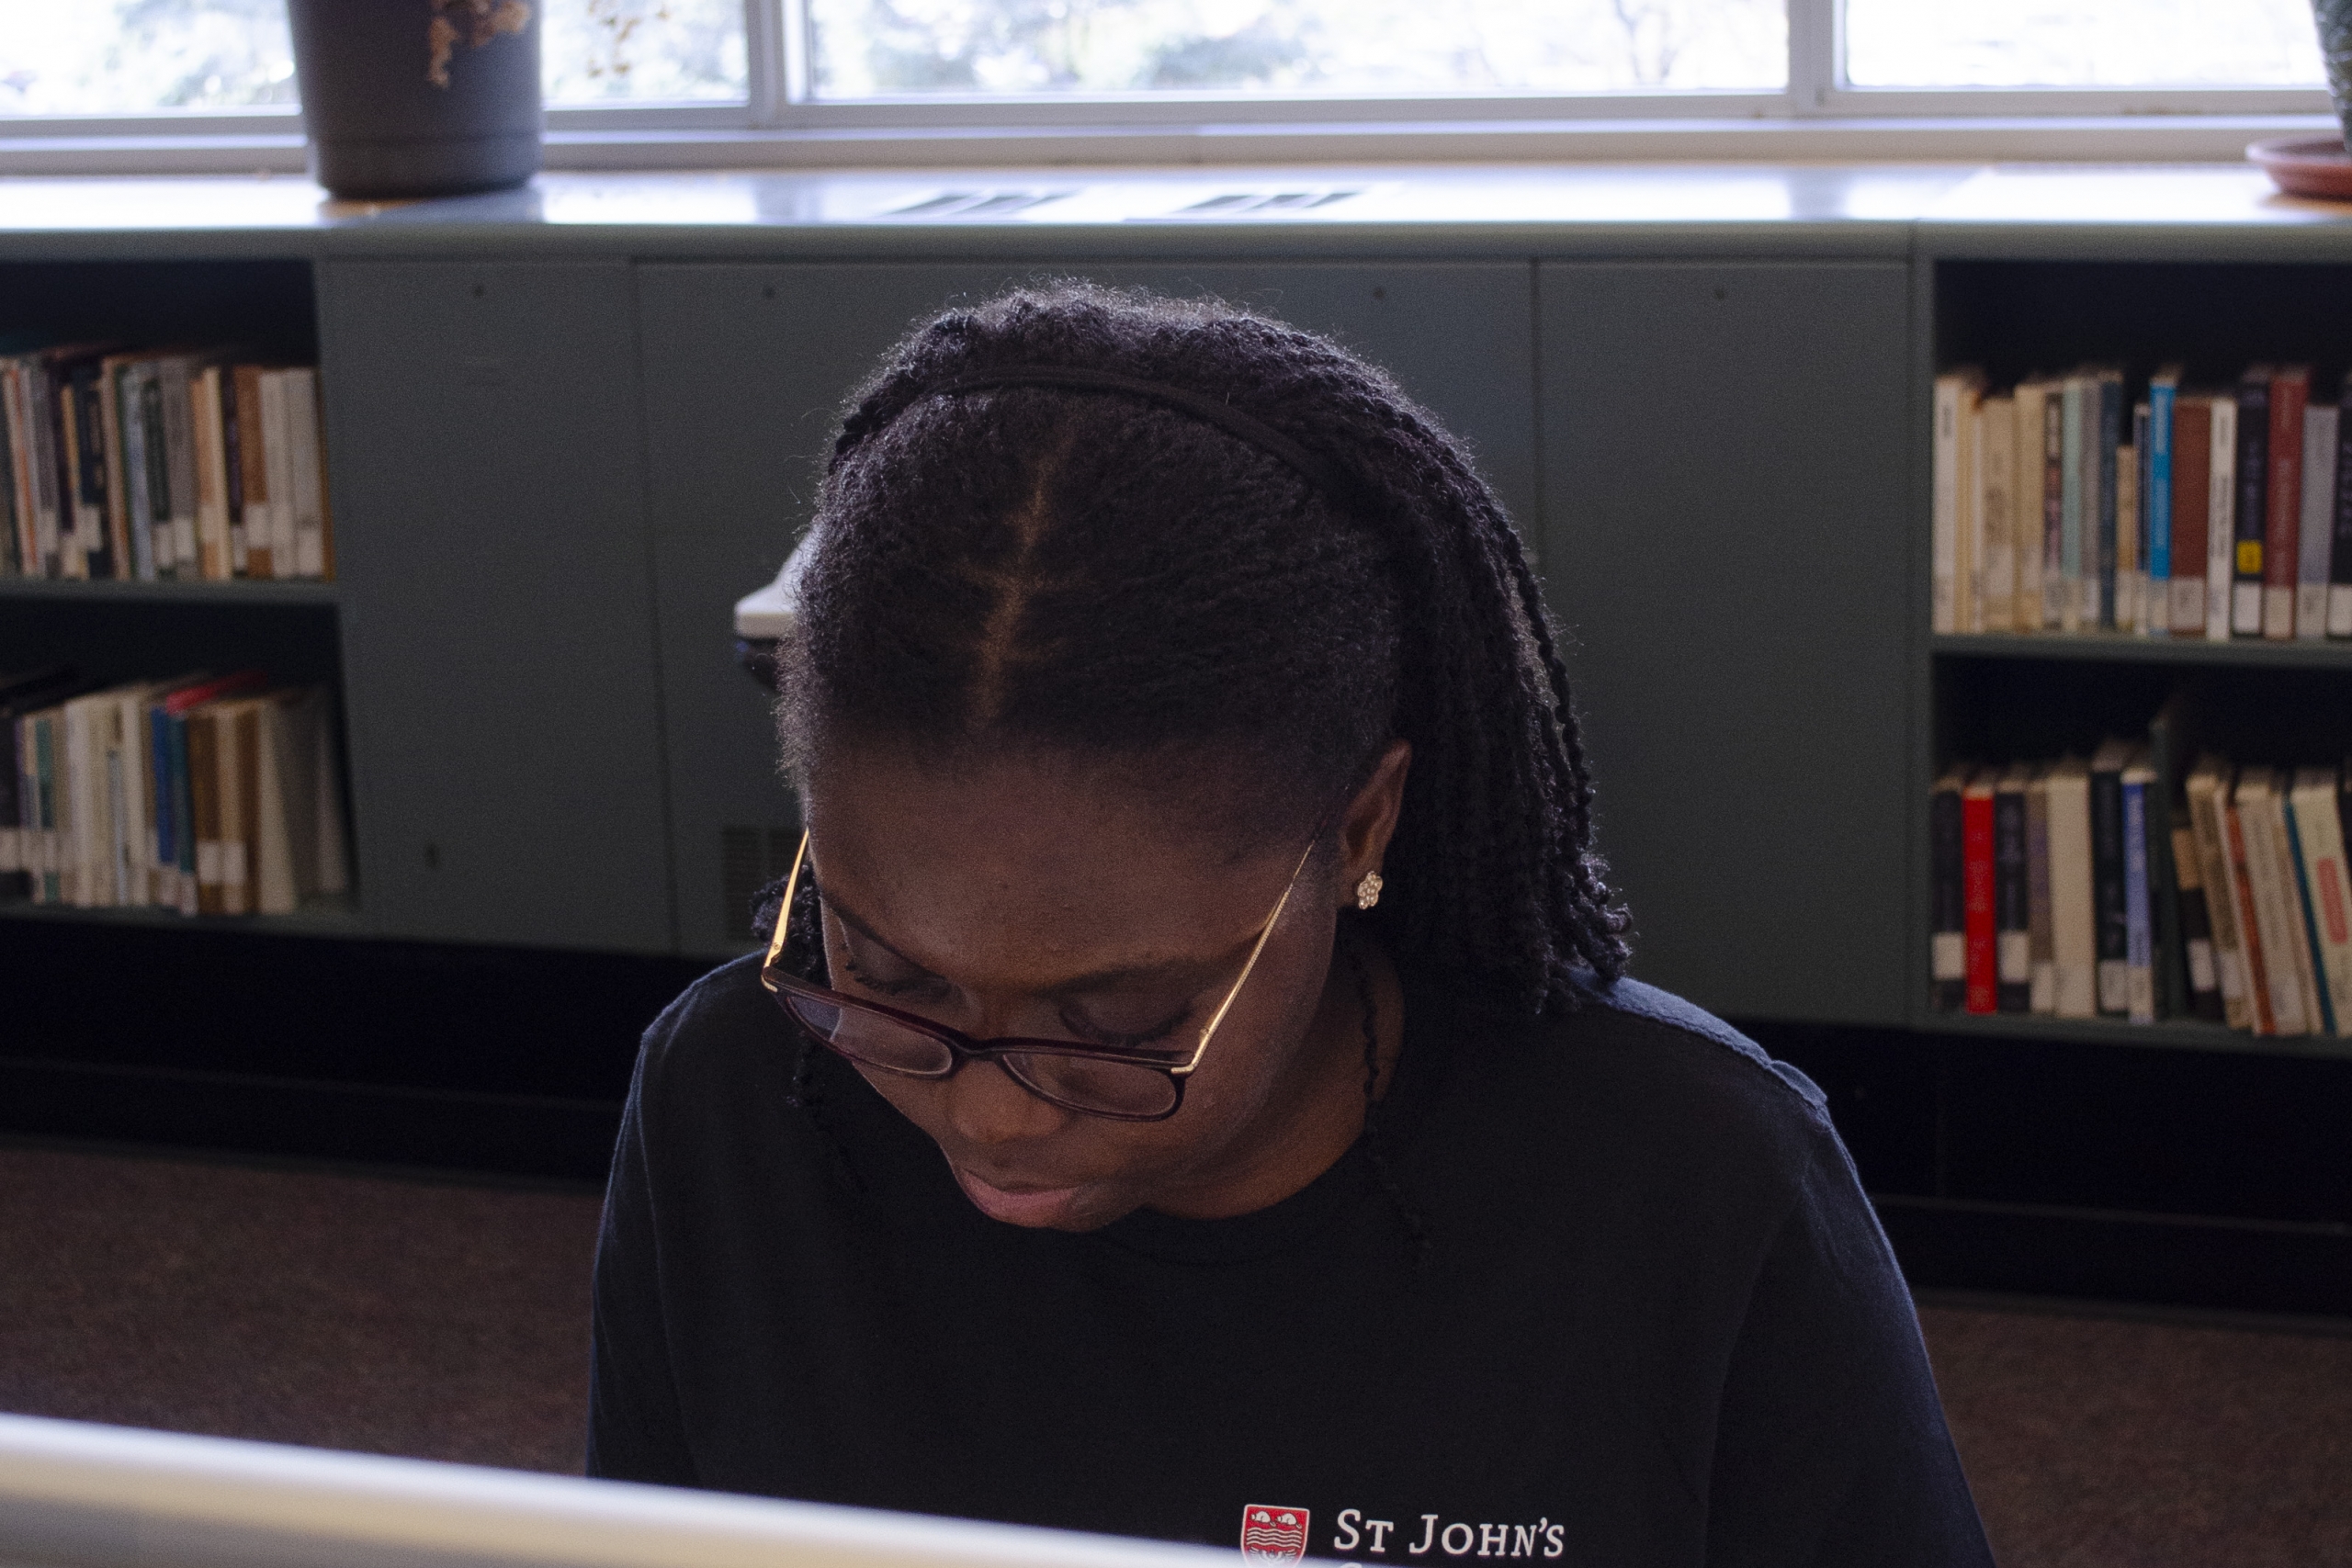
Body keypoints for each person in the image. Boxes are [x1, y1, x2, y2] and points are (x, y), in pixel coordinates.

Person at [587, 283, 1994, 1566]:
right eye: (883, 974)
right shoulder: (732, 1100)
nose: (995, 1121)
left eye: (1123, 1021)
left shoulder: (1691, 1185)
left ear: (1362, 831)